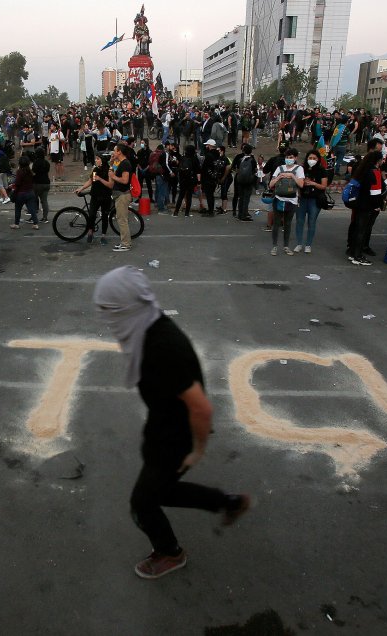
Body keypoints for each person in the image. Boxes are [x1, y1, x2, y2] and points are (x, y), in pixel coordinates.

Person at [92, 266, 251, 580]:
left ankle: (170, 553)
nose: (106, 318)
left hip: (175, 438)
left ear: (128, 306)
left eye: (110, 310)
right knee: (162, 492)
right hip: (164, 427)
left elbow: (201, 408)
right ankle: (228, 503)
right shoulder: (148, 324)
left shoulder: (161, 347)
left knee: (142, 504)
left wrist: (198, 450)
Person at [347, 151, 386, 266]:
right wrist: (378, 205)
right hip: (368, 206)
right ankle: (358, 256)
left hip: (360, 204)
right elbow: (375, 193)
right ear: (378, 160)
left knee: (358, 229)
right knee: (363, 231)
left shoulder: (363, 170)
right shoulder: (375, 172)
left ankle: (353, 252)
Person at [268, 147, 305, 256]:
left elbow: (301, 184)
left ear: (295, 158)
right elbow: (271, 184)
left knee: (288, 224)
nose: (289, 159)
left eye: (291, 157)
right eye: (287, 157)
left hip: (292, 200)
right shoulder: (280, 168)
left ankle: (286, 246)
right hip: (278, 199)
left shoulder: (299, 169)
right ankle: (274, 246)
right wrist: (279, 177)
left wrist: (292, 176)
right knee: (276, 223)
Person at [99, 143, 134, 252]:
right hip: (118, 195)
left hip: (123, 195)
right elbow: (111, 173)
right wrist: (111, 163)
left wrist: (113, 176)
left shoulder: (125, 163)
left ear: (119, 152)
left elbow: (125, 180)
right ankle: (124, 242)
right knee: (120, 219)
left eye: (114, 150)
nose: (113, 153)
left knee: (122, 220)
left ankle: (126, 244)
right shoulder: (119, 163)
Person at [293, 149, 330, 254]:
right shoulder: (301, 168)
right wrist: (302, 183)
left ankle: (308, 245)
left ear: (318, 159)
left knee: (311, 222)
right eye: (310, 158)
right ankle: (299, 244)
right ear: (307, 158)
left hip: (315, 199)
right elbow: (296, 181)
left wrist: (313, 183)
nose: (312, 160)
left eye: (314, 158)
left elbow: (324, 186)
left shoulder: (321, 170)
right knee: (299, 221)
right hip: (302, 198)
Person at [74, 154, 113, 245]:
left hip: (105, 196)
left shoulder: (109, 170)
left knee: (104, 216)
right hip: (95, 196)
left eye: (98, 159)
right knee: (91, 215)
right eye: (95, 159)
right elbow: (91, 181)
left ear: (102, 161)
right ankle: (90, 232)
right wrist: (81, 188)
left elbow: (110, 185)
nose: (95, 160)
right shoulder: (95, 169)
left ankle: (103, 236)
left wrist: (100, 179)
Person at [10, 155, 40, 230]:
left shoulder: (19, 172)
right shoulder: (30, 172)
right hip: (30, 192)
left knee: (18, 209)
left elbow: (17, 183)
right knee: (32, 209)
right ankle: (35, 223)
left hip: (21, 193)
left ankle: (16, 224)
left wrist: (13, 188)